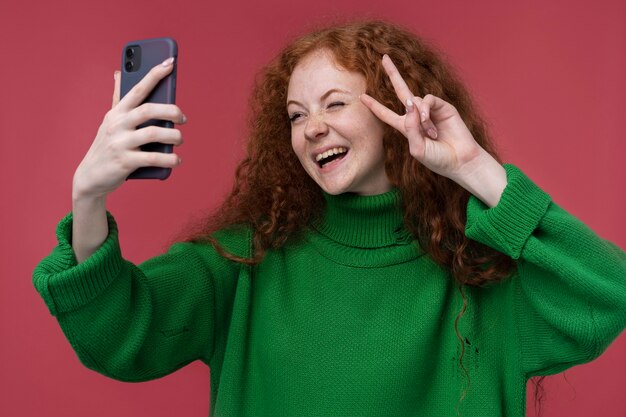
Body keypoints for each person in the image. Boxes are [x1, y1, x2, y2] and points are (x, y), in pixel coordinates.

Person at [33, 20, 625, 417]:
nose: (311, 127)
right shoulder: (246, 263)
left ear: (396, 113)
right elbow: (115, 335)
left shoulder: (481, 273)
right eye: (295, 115)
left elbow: (610, 295)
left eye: (335, 104)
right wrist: (88, 199)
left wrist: (475, 169)